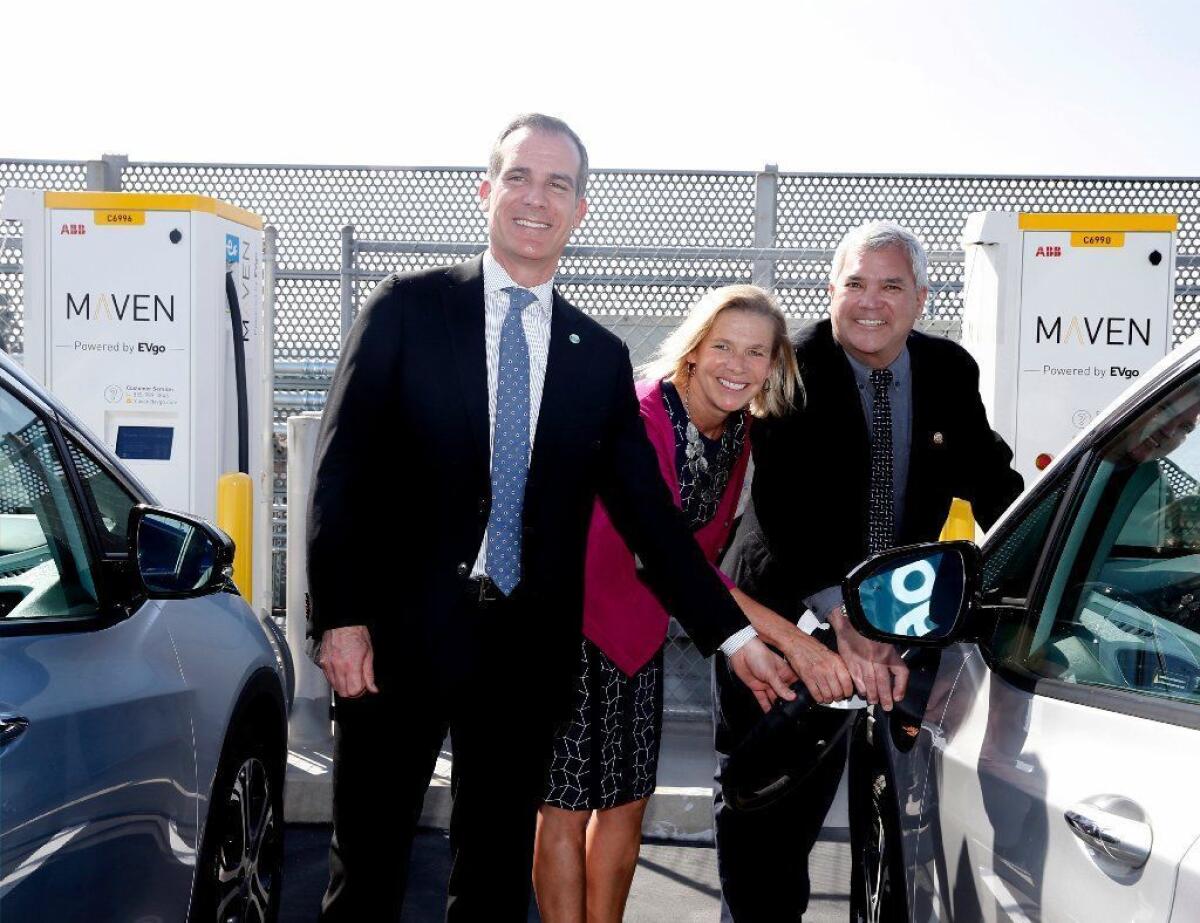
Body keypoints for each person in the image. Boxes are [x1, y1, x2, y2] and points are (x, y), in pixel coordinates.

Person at [306, 113, 802, 922]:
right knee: (366, 869)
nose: (537, 198)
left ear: (581, 208)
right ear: (487, 190)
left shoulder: (596, 355)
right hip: (392, 641)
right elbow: (341, 472)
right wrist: (341, 619)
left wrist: (738, 637)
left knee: (495, 880)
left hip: (521, 658)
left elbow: (653, 523)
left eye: (558, 184)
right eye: (520, 177)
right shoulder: (405, 309)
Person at [713, 220, 1025, 921]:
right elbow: (784, 504)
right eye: (854, 283)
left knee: (894, 831)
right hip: (785, 621)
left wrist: (1046, 547)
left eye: (890, 285)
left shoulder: (949, 369)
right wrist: (849, 620)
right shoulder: (791, 365)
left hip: (895, 628)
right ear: (831, 291)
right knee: (768, 830)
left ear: (920, 296)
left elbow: (990, 476)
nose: (870, 301)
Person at [532, 286, 854, 923]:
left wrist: (757, 640)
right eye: (723, 347)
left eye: (756, 353)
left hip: (640, 637)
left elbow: (701, 569)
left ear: (774, 366)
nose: (737, 365)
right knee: (564, 809)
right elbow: (665, 555)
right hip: (573, 627)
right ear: (693, 352)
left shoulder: (739, 434)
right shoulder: (645, 417)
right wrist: (786, 641)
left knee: (625, 807)